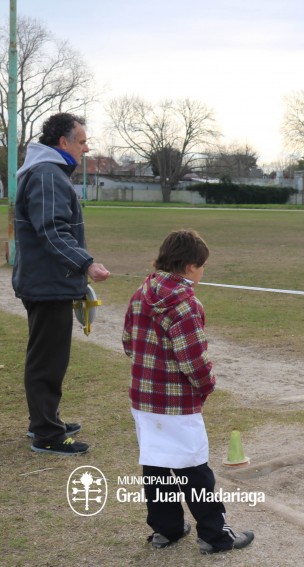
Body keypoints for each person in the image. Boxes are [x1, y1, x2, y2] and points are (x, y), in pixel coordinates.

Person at [122, 230, 254, 554]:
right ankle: (214, 534)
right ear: (192, 266)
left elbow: (128, 342)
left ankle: (165, 529)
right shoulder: (185, 304)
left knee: (155, 464)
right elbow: (193, 359)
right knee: (194, 468)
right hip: (176, 404)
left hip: (143, 399)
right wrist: (207, 385)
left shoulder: (141, 293)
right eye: (203, 266)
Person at [12, 112, 110, 455]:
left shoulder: (48, 172)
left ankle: (45, 419)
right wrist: (86, 264)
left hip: (48, 281)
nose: (86, 147)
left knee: (48, 357)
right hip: (46, 284)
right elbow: (52, 230)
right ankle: (47, 434)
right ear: (63, 143)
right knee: (47, 361)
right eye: (81, 141)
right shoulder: (47, 175)